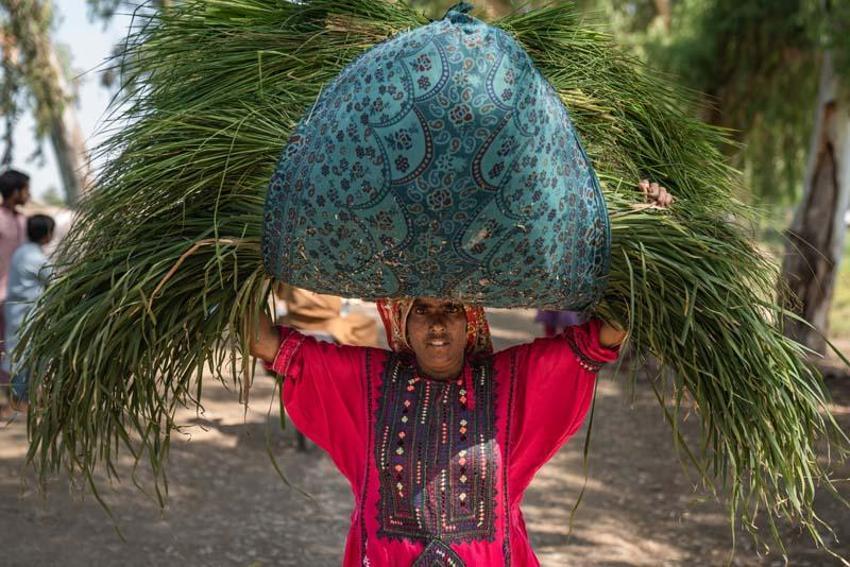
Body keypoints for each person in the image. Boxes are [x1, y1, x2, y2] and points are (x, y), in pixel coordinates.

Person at [249, 181, 671, 566]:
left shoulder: (509, 384)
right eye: (423, 311)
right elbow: (267, 343)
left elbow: (604, 336)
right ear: (401, 322)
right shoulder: (365, 384)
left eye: (450, 309)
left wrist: (648, 228)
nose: (436, 325)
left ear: (470, 321)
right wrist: (236, 245)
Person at [3, 214, 55, 411]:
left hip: (18, 312)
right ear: (47, 235)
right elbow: (55, 279)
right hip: (26, 314)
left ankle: (23, 398)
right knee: (23, 356)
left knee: (20, 354)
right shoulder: (35, 257)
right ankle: (21, 401)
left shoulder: (22, 251)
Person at [0, 169, 29, 405]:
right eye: (26, 189)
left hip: (17, 295)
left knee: (15, 347)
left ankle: (14, 397)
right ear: (16, 191)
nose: (28, 195)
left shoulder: (23, 221)